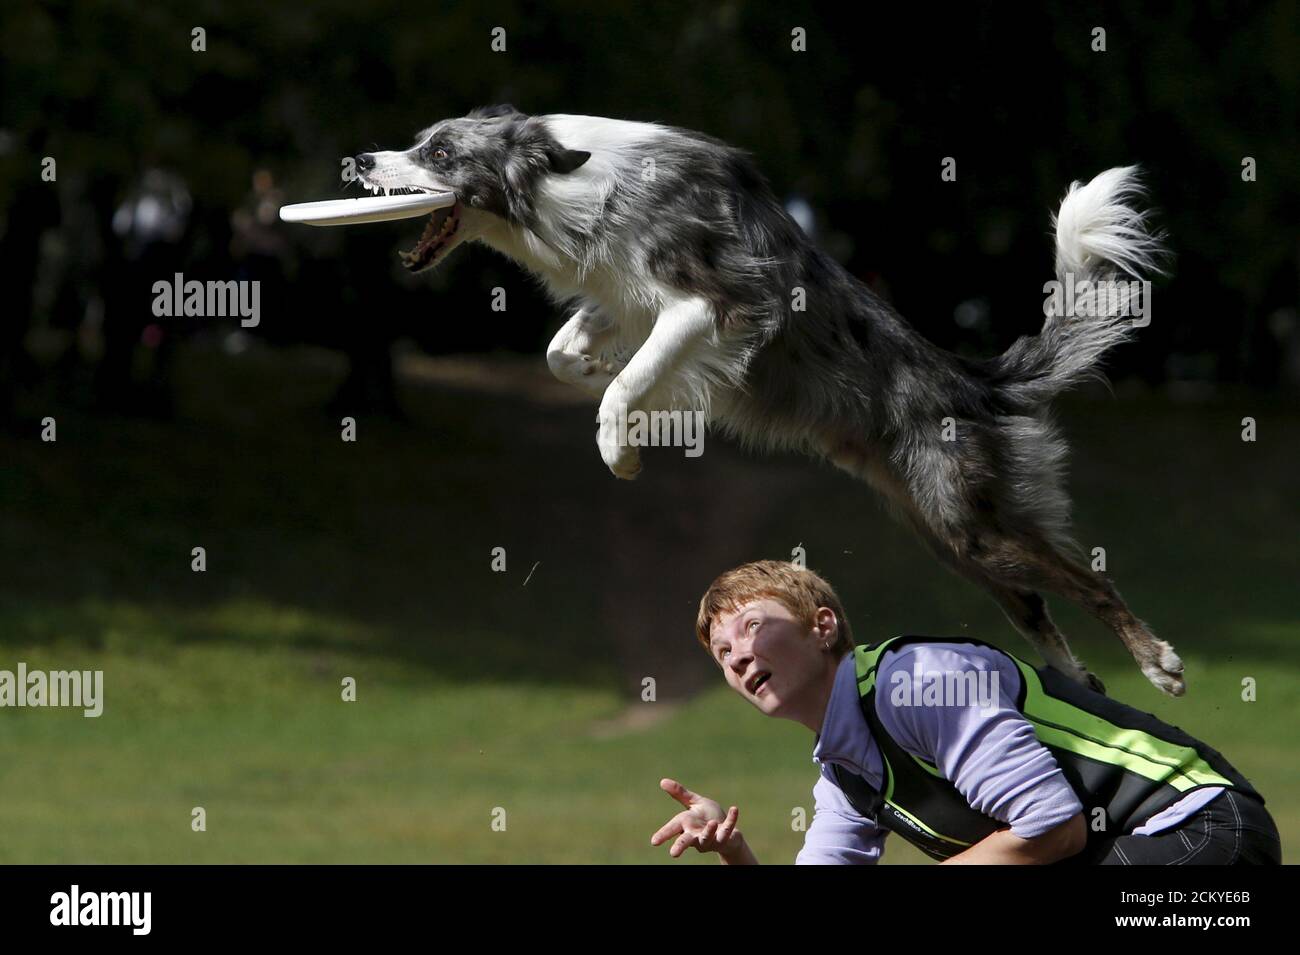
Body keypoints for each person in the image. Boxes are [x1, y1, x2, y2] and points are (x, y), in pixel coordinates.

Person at [651, 560, 1282, 865]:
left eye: (754, 626)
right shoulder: (846, 775)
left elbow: (1052, 827)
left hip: (1199, 827)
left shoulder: (916, 683)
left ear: (823, 628)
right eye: (722, 651)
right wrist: (734, 851)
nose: (737, 656)